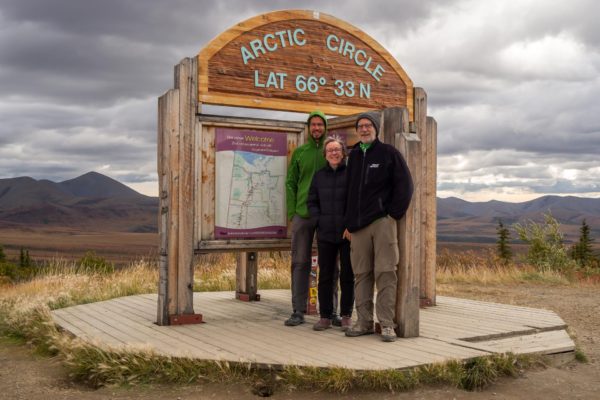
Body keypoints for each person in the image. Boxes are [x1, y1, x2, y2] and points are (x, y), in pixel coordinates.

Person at [343, 112, 413, 342]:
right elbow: (349, 192)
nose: (364, 129)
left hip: (382, 223)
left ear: (376, 128)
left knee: (386, 272)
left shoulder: (388, 154)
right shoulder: (353, 157)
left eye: (368, 125)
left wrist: (392, 214)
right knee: (361, 275)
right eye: (360, 126)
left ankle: (386, 324)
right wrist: (348, 222)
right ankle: (363, 322)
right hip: (358, 226)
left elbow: (405, 186)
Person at [284, 110, 328, 326]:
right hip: (302, 214)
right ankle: (297, 310)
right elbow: (290, 182)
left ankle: (330, 312)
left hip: (327, 216)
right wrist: (292, 212)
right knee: (299, 262)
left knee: (330, 264)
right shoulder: (300, 152)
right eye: (314, 125)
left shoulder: (332, 152)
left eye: (320, 124)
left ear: (325, 127)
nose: (317, 128)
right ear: (309, 128)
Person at [307, 136, 354, 331]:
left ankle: (345, 316)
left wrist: (351, 225)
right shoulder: (319, 176)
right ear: (325, 155)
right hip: (325, 233)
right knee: (325, 275)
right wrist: (319, 221)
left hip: (347, 234)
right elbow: (312, 202)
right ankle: (325, 316)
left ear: (343, 153)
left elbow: (356, 201)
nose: (333, 153)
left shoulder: (351, 174)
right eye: (330, 150)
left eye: (337, 149)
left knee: (348, 276)